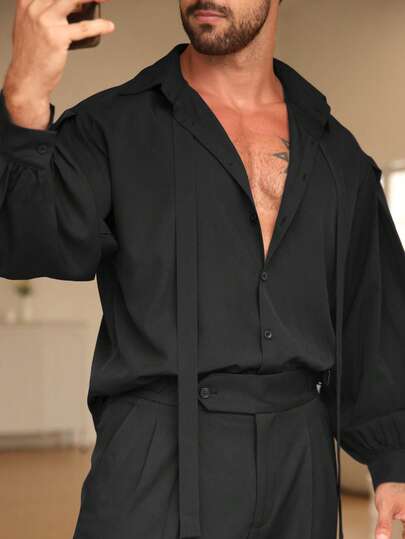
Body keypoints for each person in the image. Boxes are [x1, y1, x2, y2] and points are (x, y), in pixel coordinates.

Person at [1, 1, 405, 538]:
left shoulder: (337, 152)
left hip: (300, 460)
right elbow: (24, 246)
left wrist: (392, 460)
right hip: (155, 455)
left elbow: (370, 310)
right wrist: (25, 96)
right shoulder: (110, 126)